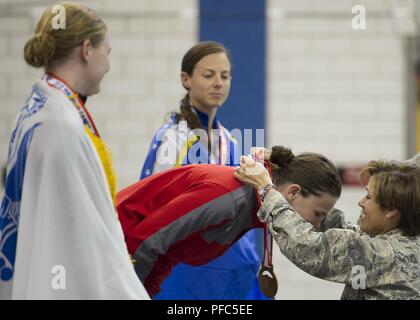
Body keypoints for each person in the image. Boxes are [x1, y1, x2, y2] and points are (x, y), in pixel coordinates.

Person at [0, 2, 149, 299]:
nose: (107, 65)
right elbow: (89, 238)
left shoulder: (38, 106)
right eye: (107, 53)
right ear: (86, 50)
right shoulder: (62, 125)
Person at [116, 145, 342, 297]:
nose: (317, 225)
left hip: (122, 259)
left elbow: (168, 253)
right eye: (318, 214)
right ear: (292, 192)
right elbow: (145, 242)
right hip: (108, 247)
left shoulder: (252, 208)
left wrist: (147, 293)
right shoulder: (229, 196)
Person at [139, 41, 264, 299]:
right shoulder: (172, 139)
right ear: (186, 79)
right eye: (208, 75)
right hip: (179, 273)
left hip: (222, 272)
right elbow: (156, 212)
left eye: (225, 75)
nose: (218, 82)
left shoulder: (228, 140)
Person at [234, 150, 420, 299]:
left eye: (369, 197)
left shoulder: (389, 255)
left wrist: (266, 188)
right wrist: (297, 173)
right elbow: (349, 235)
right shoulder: (402, 243)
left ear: (391, 210)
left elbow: (309, 248)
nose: (361, 202)